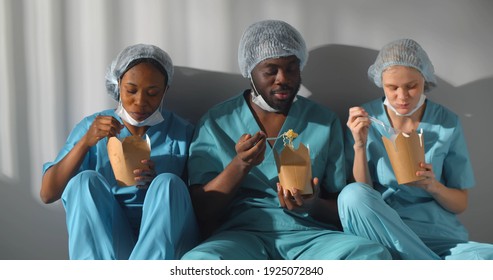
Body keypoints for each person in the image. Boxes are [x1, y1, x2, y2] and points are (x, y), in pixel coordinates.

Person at [181, 20, 391, 260]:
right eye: (270, 70)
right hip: (241, 237)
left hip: (311, 238)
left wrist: (312, 205)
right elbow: (202, 210)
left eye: (291, 68)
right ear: (250, 70)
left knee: (370, 255)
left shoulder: (322, 121)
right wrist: (240, 164)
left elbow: (340, 208)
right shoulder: (217, 122)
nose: (283, 78)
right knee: (198, 263)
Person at [40, 44, 199, 260]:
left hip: (165, 242)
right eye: (131, 90)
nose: (140, 102)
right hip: (111, 241)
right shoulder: (93, 127)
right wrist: (85, 142)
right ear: (117, 85)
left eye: (152, 93)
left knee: (168, 184)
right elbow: (48, 193)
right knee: (83, 181)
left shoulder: (182, 132)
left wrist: (158, 184)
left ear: (165, 91)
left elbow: (200, 202)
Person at [341, 38, 493, 259]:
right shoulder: (364, 120)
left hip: (438, 234)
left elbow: (460, 203)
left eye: (411, 86)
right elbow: (363, 194)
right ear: (380, 82)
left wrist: (434, 186)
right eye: (392, 88)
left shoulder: (447, 122)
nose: (402, 97)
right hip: (386, 229)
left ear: (425, 80)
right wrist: (360, 145)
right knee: (350, 195)